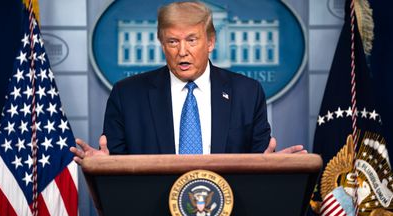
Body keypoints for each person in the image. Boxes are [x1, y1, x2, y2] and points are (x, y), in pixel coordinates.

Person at [70, 1, 306, 165]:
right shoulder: (128, 95)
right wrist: (103, 166)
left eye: (192, 40)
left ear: (210, 42)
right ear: (162, 44)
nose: (182, 51)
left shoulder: (247, 92)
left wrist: (275, 166)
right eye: (172, 41)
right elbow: (117, 167)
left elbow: (260, 160)